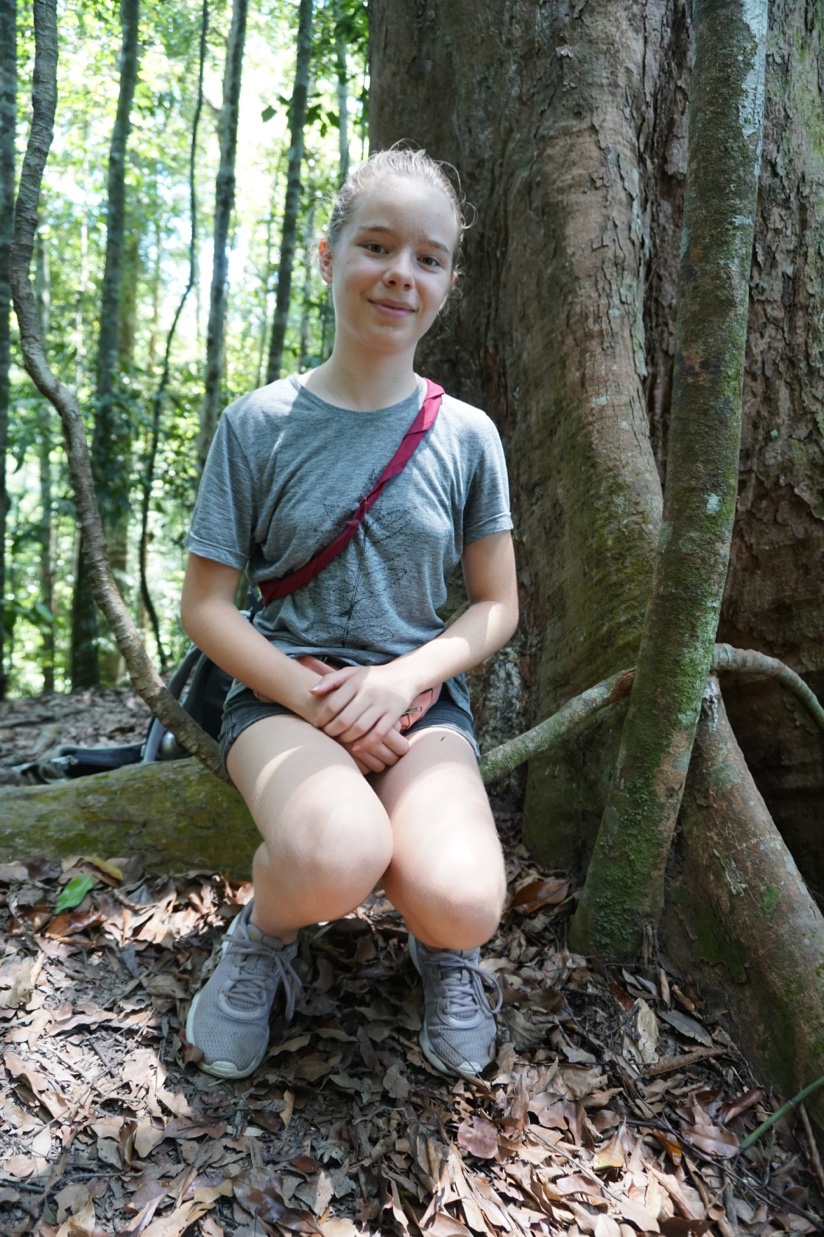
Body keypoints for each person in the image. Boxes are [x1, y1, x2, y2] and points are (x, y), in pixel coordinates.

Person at [181, 147, 518, 1082]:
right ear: (328, 256)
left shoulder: (468, 436)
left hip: (419, 706)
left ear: (448, 282)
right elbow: (206, 607)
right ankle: (261, 936)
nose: (401, 273)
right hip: (281, 698)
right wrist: (320, 700)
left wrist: (401, 681)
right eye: (377, 246)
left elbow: (497, 604)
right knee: (339, 853)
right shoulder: (258, 424)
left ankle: (443, 952)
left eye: (428, 257)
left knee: (466, 900)